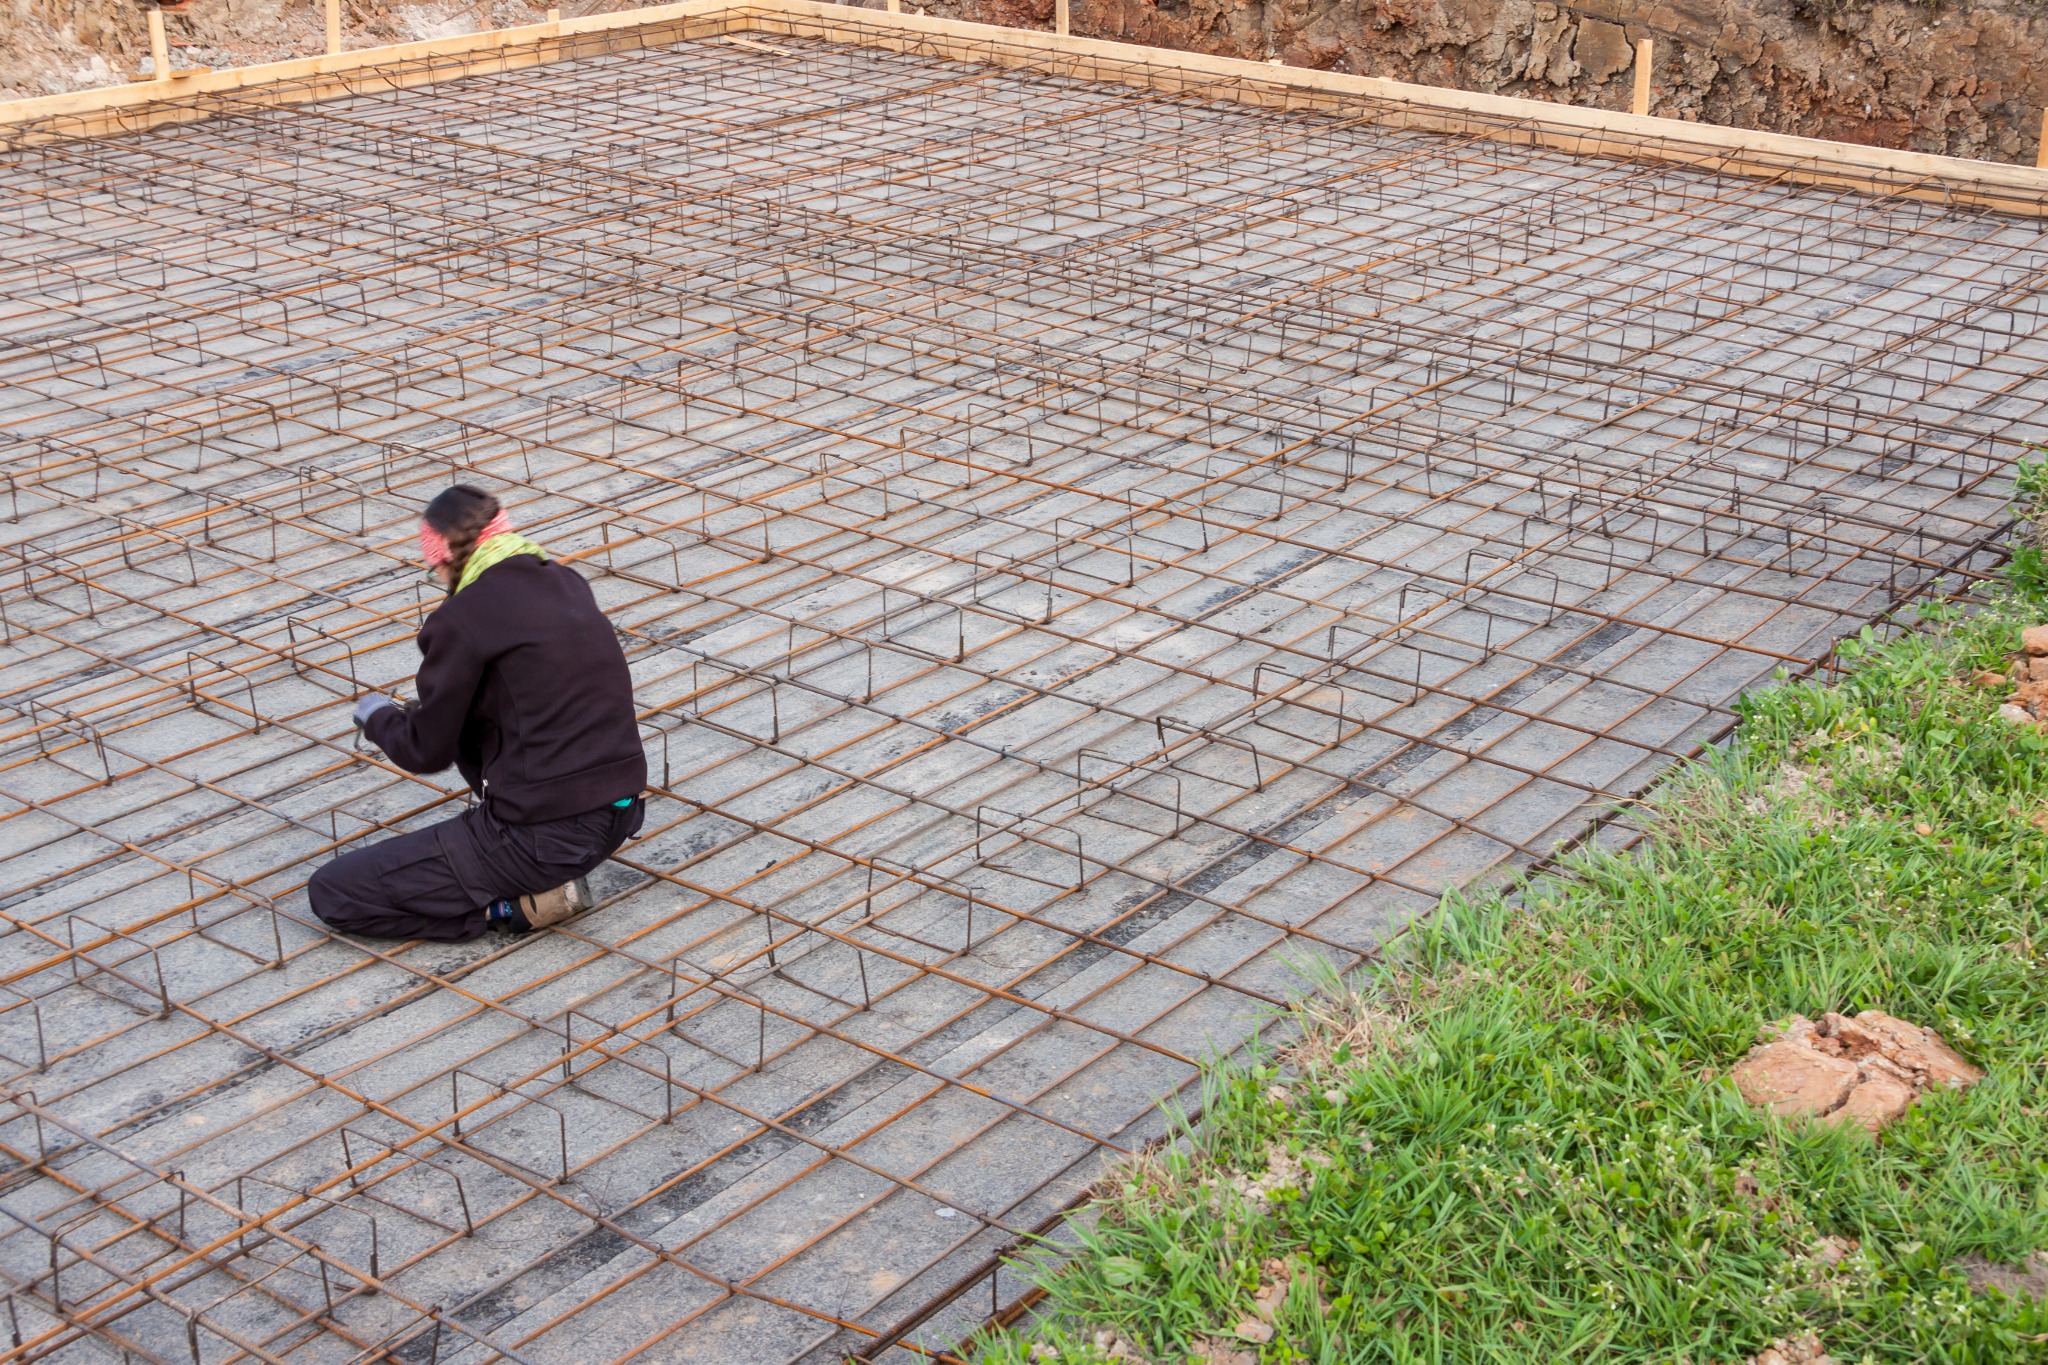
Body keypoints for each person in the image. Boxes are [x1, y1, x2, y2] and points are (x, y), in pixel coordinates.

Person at [308, 485, 646, 941]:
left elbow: (425, 752)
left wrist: (377, 717)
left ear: (445, 558)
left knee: (335, 892)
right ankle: (526, 877)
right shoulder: (566, 581)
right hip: (619, 813)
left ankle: (509, 909)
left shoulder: (461, 618)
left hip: (542, 839)